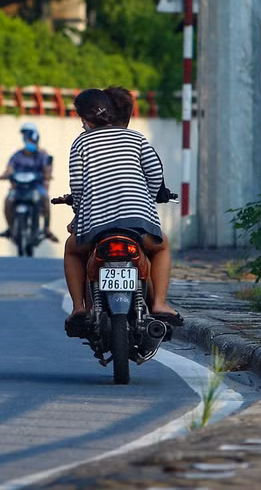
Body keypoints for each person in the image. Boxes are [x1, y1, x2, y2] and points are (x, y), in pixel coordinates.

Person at [62, 86, 182, 336]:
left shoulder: (81, 143)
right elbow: (155, 174)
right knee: (161, 247)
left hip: (97, 225)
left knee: (72, 249)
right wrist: (147, 198)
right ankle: (159, 302)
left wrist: (78, 214)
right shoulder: (135, 138)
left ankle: (78, 309)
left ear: (84, 119)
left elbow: (78, 185)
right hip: (137, 223)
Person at [0, 122, 57, 242]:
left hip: (36, 188)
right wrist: (6, 175)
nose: (28, 140)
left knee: (45, 199)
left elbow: (47, 169)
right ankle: (11, 228)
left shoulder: (42, 155)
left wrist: (47, 176)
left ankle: (46, 229)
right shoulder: (17, 155)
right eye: (26, 137)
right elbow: (9, 168)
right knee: (8, 201)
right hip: (18, 189)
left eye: (30, 137)